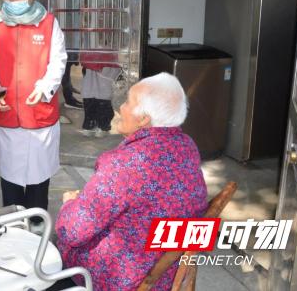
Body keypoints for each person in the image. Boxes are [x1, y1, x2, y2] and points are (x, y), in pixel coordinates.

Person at [55, 73, 207, 290]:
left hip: (131, 278)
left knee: (56, 243)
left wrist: (69, 204)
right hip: (171, 270)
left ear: (144, 119)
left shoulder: (123, 164)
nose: (121, 108)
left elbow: (72, 231)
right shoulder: (187, 146)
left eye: (127, 102)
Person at [0, 0, 67, 235]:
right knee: (11, 175)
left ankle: (38, 224)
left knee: (39, 175)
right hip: (7, 114)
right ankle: (12, 225)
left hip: (39, 114)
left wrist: (45, 88)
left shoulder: (49, 24)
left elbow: (58, 61)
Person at [79, 66, 121, 138]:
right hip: (103, 63)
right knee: (101, 90)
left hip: (94, 63)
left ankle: (91, 125)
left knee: (92, 87)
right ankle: (100, 126)